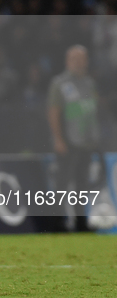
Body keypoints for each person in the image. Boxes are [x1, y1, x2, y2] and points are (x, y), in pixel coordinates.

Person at [47, 45, 101, 231]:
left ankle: (80, 222)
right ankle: (56, 223)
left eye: (82, 59)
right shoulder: (60, 84)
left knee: (82, 184)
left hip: (86, 142)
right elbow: (54, 112)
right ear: (67, 61)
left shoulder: (89, 83)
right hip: (68, 141)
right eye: (75, 59)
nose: (79, 63)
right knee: (62, 184)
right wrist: (58, 139)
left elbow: (91, 111)